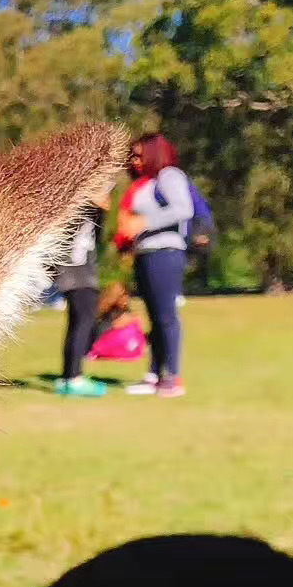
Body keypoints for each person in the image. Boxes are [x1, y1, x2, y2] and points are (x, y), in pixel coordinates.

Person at [115, 135, 192, 398]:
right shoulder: (143, 183)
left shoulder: (169, 176)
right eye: (132, 156)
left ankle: (173, 377)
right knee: (155, 317)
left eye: (140, 155)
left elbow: (183, 209)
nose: (135, 161)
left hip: (165, 253)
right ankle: (154, 375)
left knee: (166, 316)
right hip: (146, 253)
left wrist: (145, 222)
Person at [52, 190, 109, 397]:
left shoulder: (85, 210)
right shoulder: (77, 207)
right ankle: (74, 378)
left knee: (77, 323)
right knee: (83, 322)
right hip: (79, 273)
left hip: (75, 273)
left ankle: (68, 376)